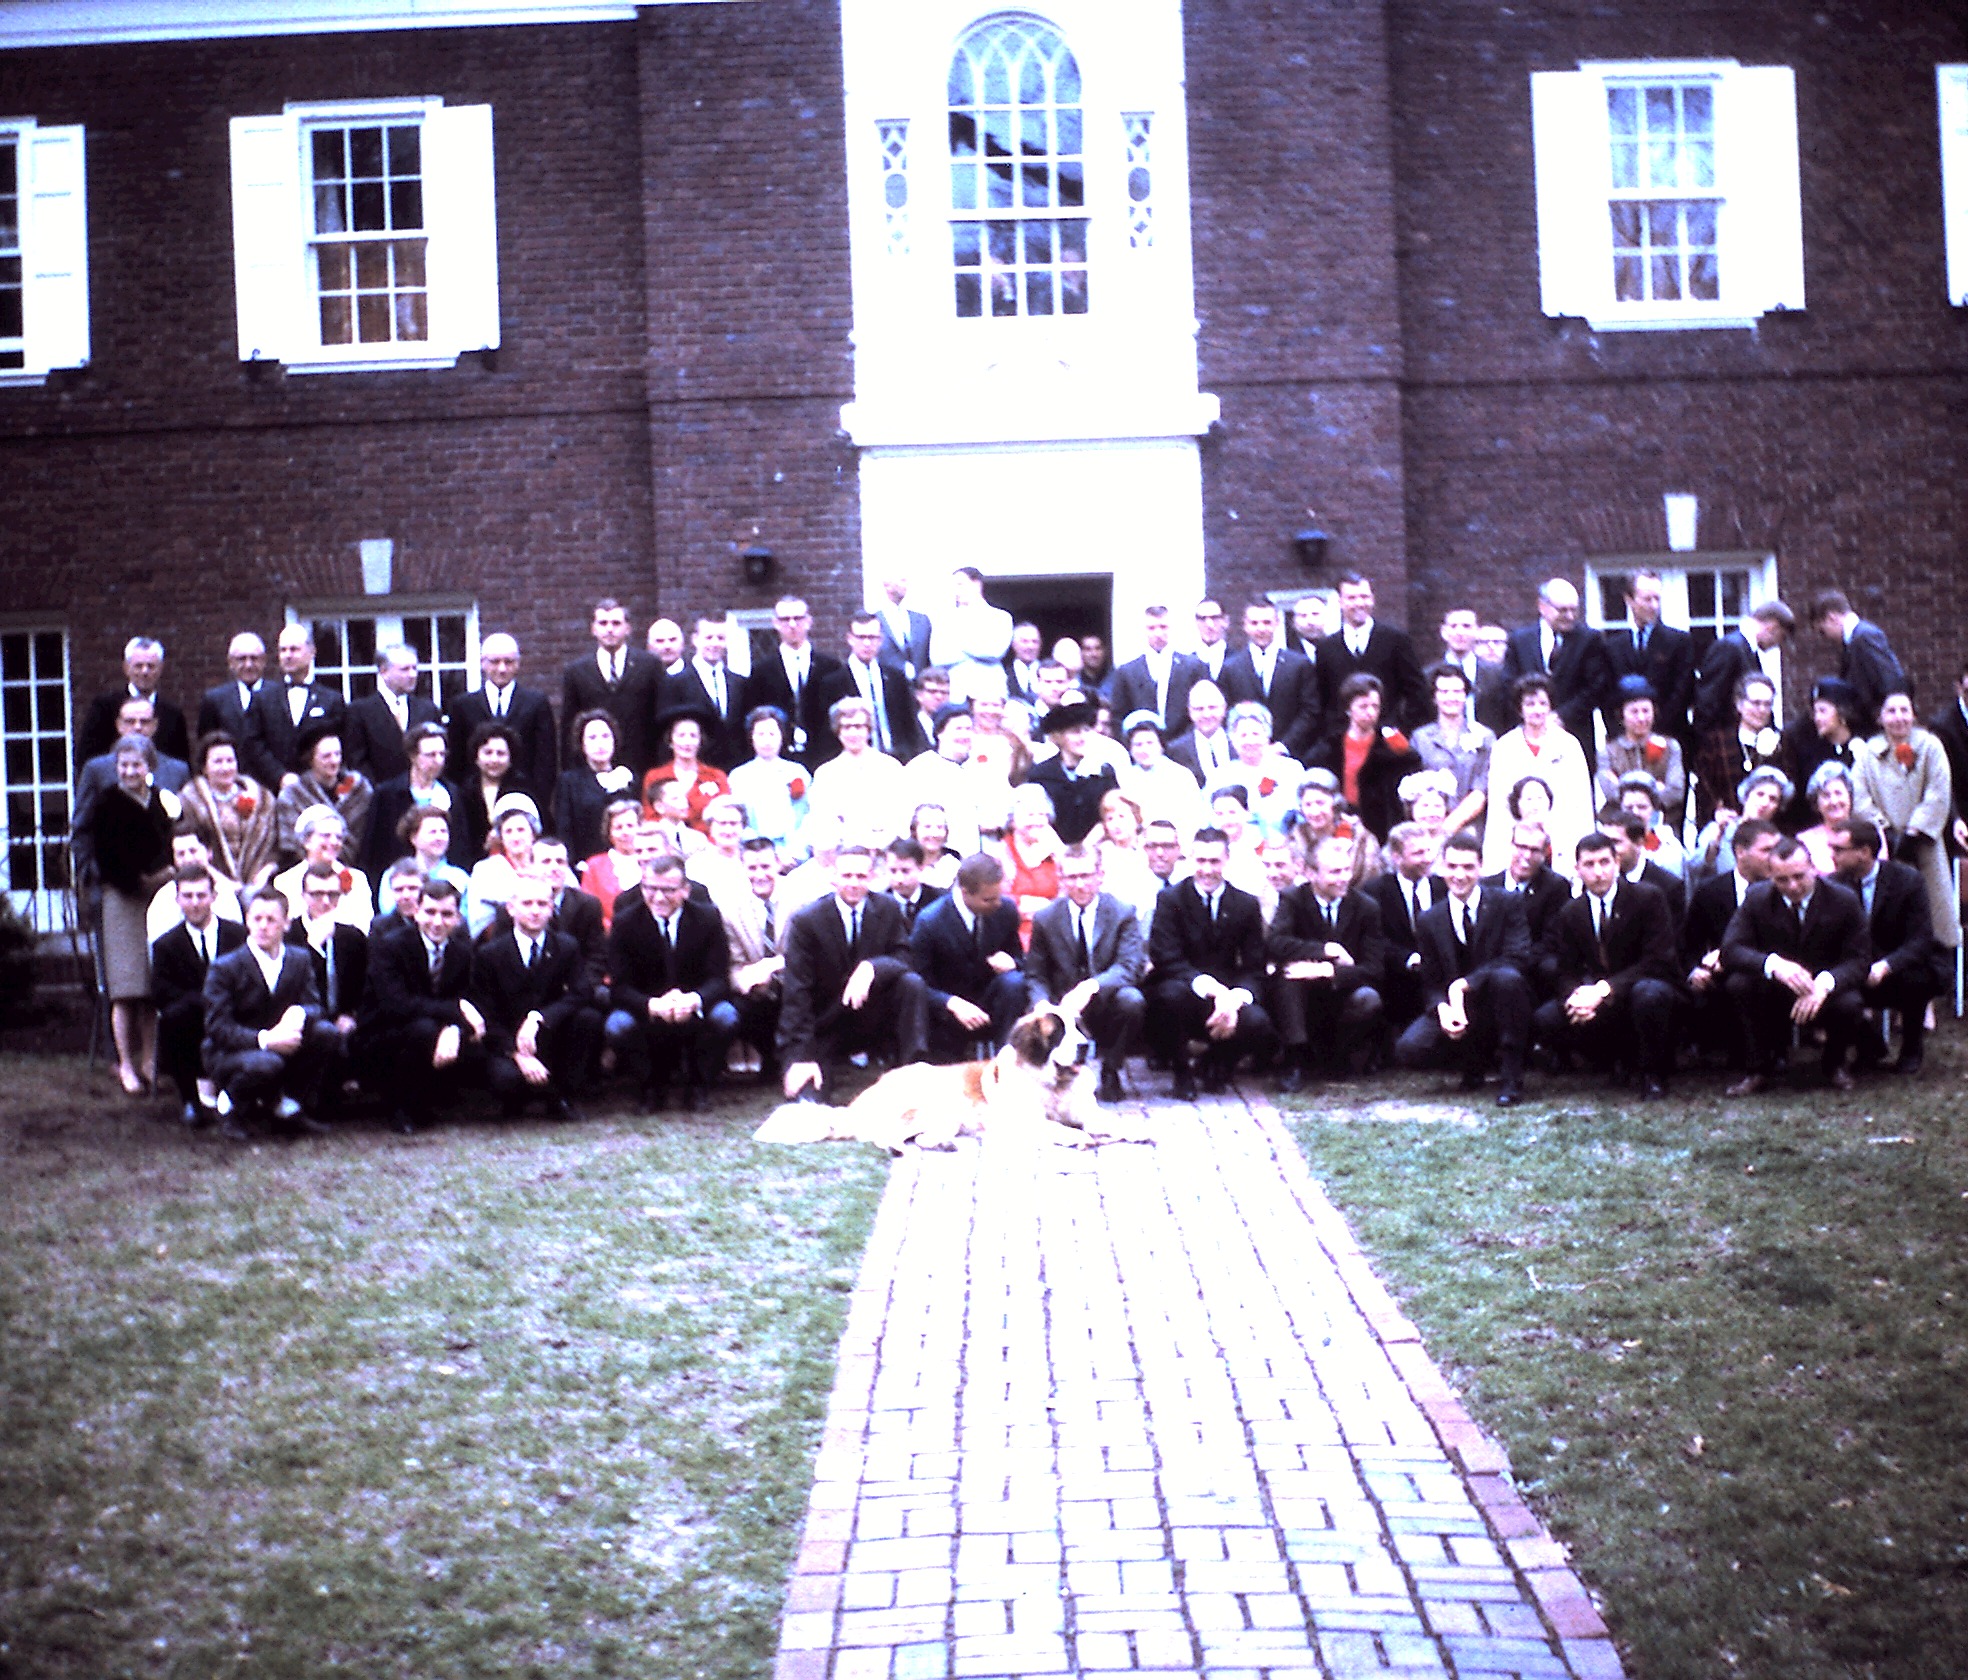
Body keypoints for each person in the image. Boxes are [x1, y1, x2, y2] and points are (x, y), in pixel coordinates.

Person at [1533, 832, 1681, 1098]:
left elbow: (1658, 960)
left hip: (1645, 986)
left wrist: (1603, 990)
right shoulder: (1571, 912)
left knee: (1649, 994)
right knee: (1548, 1018)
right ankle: (1611, 1061)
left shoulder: (1648, 897)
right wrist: (1577, 997)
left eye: (1604, 862)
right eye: (1589, 865)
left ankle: (1653, 1074)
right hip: (1601, 996)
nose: (1598, 872)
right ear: (1577, 870)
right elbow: (1567, 969)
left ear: (1617, 863)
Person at [1721, 837, 1871, 1094]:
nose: (1792, 886)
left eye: (1799, 876)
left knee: (1851, 1003)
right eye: (1782, 880)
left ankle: (1834, 1064)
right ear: (1770, 875)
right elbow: (1731, 949)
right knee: (1740, 984)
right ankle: (1758, 1069)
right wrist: (1774, 965)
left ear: (1813, 868)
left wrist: (1824, 985)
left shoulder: (1843, 900)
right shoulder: (1757, 898)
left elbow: (1860, 960)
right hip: (1776, 988)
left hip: (1826, 989)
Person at [778, 844, 929, 1096]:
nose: (853, 883)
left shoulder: (888, 908)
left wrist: (872, 967)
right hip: (827, 1020)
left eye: (861, 876)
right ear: (833, 877)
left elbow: (904, 955)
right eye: (847, 876)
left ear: (873, 878)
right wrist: (800, 1055)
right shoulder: (807, 921)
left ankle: (912, 1069)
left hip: (873, 1016)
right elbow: (797, 992)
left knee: (911, 983)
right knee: (809, 1099)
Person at [1393, 830, 1532, 1104]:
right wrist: (1442, 1009)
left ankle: (1511, 1075)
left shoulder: (1507, 903)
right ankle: (1472, 1062)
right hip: (1459, 1008)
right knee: (1410, 1049)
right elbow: (1431, 982)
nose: (1459, 875)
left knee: (1508, 978)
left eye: (1468, 867)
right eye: (1452, 866)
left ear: (1481, 868)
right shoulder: (1429, 919)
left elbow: (1518, 955)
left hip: (1502, 1000)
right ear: (1441, 867)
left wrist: (1465, 983)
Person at [1147, 826, 1278, 1099]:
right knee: (1168, 997)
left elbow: (1254, 966)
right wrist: (1211, 989)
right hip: (1184, 988)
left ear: (1227, 861)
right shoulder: (1171, 899)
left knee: (1258, 1022)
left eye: (1214, 861)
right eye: (1201, 861)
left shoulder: (1245, 904)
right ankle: (1182, 1072)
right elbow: (1165, 957)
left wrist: (1234, 1000)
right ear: (1190, 859)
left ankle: (1218, 1062)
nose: (1207, 869)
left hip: (1227, 996)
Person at [355, 876, 486, 1134]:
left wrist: (454, 1027)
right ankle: (400, 1108)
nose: (438, 922)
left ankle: (433, 1098)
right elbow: (397, 1005)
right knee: (424, 1030)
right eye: (430, 912)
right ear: (416, 912)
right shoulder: (390, 946)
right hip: (382, 1033)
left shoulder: (463, 951)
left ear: (458, 918)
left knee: (473, 1035)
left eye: (447, 914)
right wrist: (456, 1013)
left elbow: (470, 997)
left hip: (431, 1026)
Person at [604, 850, 735, 1108]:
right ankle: (650, 1086)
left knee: (726, 1016)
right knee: (617, 1026)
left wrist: (694, 1000)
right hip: (647, 1005)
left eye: (669, 890)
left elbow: (720, 978)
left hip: (693, 1002)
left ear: (685, 890)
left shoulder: (707, 917)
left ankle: (699, 1085)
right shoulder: (625, 922)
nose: (659, 897)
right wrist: (651, 1004)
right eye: (651, 889)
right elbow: (619, 987)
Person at [470, 870, 603, 1120]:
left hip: (550, 1033)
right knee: (506, 1080)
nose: (535, 911)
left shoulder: (566, 946)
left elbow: (581, 992)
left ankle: (561, 1098)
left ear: (552, 909)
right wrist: (516, 1053)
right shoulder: (490, 954)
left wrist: (538, 1017)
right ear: (511, 908)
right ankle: (517, 1100)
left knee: (588, 1018)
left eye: (542, 904)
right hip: (507, 1039)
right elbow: (486, 1012)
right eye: (527, 903)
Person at [92, 736, 181, 1093]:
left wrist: (168, 874)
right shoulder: (107, 804)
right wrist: (142, 880)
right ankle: (126, 1064)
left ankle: (150, 1059)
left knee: (151, 985)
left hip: (160, 896)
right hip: (124, 897)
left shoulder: (162, 800)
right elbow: (108, 857)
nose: (130, 771)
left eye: (137, 765)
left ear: (149, 767)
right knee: (126, 987)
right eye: (123, 766)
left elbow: (175, 839)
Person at [202, 885, 328, 1137]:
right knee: (267, 1063)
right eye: (256, 918)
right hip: (233, 1051)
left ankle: (286, 1107)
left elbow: (316, 1005)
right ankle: (232, 1107)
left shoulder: (299, 959)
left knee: (327, 1034)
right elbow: (218, 1028)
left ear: (286, 923)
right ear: (247, 920)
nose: (263, 925)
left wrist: (300, 1013)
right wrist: (266, 1040)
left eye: (271, 920)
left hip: (285, 1042)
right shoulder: (225, 967)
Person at [1267, 835, 1387, 1091]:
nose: (1344, 878)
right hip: (1302, 995)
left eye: (1346, 870)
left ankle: (1339, 1057)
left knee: (1368, 998)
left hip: (1342, 993)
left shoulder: (1366, 907)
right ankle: (1295, 1059)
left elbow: (1375, 968)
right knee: (1287, 977)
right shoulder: (1293, 899)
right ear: (1311, 873)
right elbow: (1276, 943)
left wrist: (1329, 970)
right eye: (1334, 872)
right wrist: (1325, 949)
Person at [1027, 845, 1146, 1103]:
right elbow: (1036, 972)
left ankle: (1111, 1068)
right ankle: (1048, 1074)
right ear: (1061, 879)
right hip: (1062, 1000)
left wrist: (1091, 987)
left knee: (1132, 1000)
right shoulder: (1046, 918)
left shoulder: (1122, 912)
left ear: (1100, 875)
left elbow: (1129, 966)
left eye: (1086, 876)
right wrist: (1041, 1003)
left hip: (1104, 997)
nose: (1079, 884)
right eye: (1071, 877)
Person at [1828, 816, 1941, 1074]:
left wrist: (1885, 966)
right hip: (1853, 966)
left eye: (1838, 849)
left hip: (1897, 964)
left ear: (1865, 852)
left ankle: (1912, 1048)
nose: (1831, 856)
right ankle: (1869, 1045)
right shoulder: (1834, 885)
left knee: (1918, 978)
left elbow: (1921, 939)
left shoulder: (1907, 880)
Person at [1853, 691, 1961, 955]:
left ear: (1914, 714)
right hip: (1886, 848)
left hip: (1924, 845)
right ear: (1880, 717)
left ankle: (1939, 985)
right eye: (1891, 711)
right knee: (1892, 919)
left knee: (1935, 916)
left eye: (1905, 710)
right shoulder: (1867, 754)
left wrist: (1915, 831)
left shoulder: (1930, 746)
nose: (1899, 718)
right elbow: (1861, 796)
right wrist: (1884, 831)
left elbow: (1939, 791)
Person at [911, 850, 1032, 1062]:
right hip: (948, 1012)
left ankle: (1007, 1058)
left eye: (999, 896)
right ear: (965, 892)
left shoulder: (1005, 910)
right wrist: (950, 1003)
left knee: (1014, 982)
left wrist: (1013, 963)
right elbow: (918, 983)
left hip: (993, 1005)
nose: (997, 903)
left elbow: (1022, 961)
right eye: (988, 899)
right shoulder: (930, 922)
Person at [1682, 817, 1782, 1068]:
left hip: (1772, 969)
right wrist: (1694, 969)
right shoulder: (1711, 891)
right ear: (1740, 852)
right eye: (1766, 850)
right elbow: (1689, 941)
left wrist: (1729, 955)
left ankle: (1768, 1053)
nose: (1774, 858)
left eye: (1777, 850)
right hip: (1719, 975)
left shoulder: (1784, 889)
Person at [151, 865, 246, 1126]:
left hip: (235, 1010)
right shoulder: (166, 945)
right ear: (178, 900)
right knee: (173, 1018)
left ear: (213, 897)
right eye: (188, 896)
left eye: (201, 896)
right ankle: (191, 1102)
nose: (195, 903)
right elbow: (160, 991)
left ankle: (242, 1095)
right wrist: (201, 1000)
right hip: (192, 1015)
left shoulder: (237, 935)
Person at [1480, 675, 1593, 878]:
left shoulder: (1569, 745)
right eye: (1530, 704)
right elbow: (1499, 807)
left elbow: (1581, 802)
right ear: (1519, 709)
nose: (1537, 710)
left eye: (1543, 703)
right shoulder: (1504, 747)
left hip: (1561, 837)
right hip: (1517, 838)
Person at [1499, 577, 1612, 772]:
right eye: (1562, 610)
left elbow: (1597, 686)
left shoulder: (1589, 639)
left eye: (1573, 610)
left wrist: (1561, 716)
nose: (1569, 616)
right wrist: (1533, 713)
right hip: (1528, 736)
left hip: (1575, 733)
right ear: (1542, 607)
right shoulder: (1520, 640)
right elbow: (1510, 683)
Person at [284, 862, 368, 1114]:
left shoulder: (352, 937)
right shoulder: (289, 935)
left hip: (342, 1015)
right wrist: (314, 947)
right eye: (317, 894)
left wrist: (351, 1014)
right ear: (303, 897)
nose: (325, 901)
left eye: (332, 895)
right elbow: (289, 987)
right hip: (301, 1016)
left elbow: (365, 985)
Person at [1307, 674, 1420, 845]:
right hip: (1336, 824)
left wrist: (1404, 752)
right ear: (1348, 708)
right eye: (1363, 706)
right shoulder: (1329, 747)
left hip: (1381, 828)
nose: (1370, 713)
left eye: (1375, 706)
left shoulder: (1390, 747)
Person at [1312, 572, 1427, 732]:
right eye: (1351, 598)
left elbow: (1417, 693)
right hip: (1342, 742)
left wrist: (1403, 730)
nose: (1359, 603)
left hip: (1388, 741)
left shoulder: (1396, 640)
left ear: (1372, 599)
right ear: (1340, 602)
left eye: (1364, 597)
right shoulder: (1326, 648)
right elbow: (1323, 700)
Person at [444, 632, 558, 790]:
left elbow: (546, 759)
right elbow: (455, 760)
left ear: (518, 664)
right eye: (495, 662)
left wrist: (539, 799)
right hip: (473, 797)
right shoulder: (462, 705)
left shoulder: (536, 703)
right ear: (483, 663)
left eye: (509, 662)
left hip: (524, 794)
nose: (502, 668)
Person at [562, 597, 660, 778]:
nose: (609, 629)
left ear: (627, 628)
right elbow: (569, 726)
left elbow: (658, 719)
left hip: (641, 765)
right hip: (592, 770)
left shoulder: (649, 666)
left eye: (616, 623)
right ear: (593, 629)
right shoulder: (576, 671)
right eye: (603, 623)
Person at [723, 834, 794, 1079]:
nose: (759, 874)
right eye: (752, 868)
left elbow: (810, 952)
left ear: (778, 865)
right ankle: (769, 1059)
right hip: (756, 989)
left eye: (766, 866)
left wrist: (774, 966)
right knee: (739, 1006)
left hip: (795, 979)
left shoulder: (801, 899)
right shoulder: (730, 908)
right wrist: (743, 979)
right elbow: (732, 962)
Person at [243, 623, 345, 790]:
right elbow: (253, 745)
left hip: (320, 792)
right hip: (273, 791)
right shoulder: (262, 699)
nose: (287, 655)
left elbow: (340, 747)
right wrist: (279, 776)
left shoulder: (332, 700)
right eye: (283, 650)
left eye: (294, 649)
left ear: (312, 652)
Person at [1603, 569, 1695, 749]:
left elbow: (1682, 692)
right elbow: (1607, 697)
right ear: (1629, 600)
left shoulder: (1679, 642)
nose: (1653, 605)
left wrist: (1652, 732)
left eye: (1657, 598)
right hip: (1624, 744)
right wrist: (1624, 735)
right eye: (1647, 599)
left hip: (1670, 740)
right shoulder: (1612, 647)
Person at [815, 611, 924, 762]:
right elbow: (827, 733)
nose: (867, 643)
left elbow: (909, 724)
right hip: (854, 761)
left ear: (881, 640)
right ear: (850, 639)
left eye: (872, 637)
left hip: (897, 758)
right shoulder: (832, 683)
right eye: (861, 637)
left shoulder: (896, 678)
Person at [362, 721, 462, 881]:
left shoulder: (452, 793)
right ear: (413, 756)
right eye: (430, 755)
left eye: (442, 754)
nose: (438, 761)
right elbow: (373, 849)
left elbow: (461, 846)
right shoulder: (388, 794)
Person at [179, 730, 278, 890]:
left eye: (230, 761)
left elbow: (274, 847)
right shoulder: (190, 801)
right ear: (204, 767)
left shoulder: (263, 799)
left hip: (259, 885)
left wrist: (265, 872)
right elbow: (189, 850)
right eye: (218, 762)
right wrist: (224, 883)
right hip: (209, 886)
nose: (225, 767)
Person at [749, 595, 843, 763]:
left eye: (798, 618)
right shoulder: (761, 671)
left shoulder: (831, 667)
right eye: (785, 619)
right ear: (775, 623)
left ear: (809, 621)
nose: (792, 625)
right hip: (779, 758)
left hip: (825, 755)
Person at [1369, 821, 1444, 1031]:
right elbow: (1375, 940)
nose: (1427, 859)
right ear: (1396, 857)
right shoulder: (1375, 892)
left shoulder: (1444, 887)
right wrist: (1409, 959)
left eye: (1428, 851)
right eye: (1418, 853)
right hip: (1395, 984)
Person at [1222, 600, 1320, 759]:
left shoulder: (1299, 664)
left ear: (1277, 623)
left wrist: (1283, 745)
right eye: (1254, 623)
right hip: (1246, 756)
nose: (1261, 629)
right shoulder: (1230, 668)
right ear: (1245, 625)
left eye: (1267, 622)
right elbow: (1227, 713)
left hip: (1291, 754)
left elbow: (1310, 711)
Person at [807, 695, 911, 840]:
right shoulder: (826, 773)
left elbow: (902, 815)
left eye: (858, 726)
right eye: (846, 727)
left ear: (869, 729)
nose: (853, 733)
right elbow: (823, 821)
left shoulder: (890, 767)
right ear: (838, 730)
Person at [1693, 671, 1788, 828]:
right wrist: (1715, 813)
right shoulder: (1717, 741)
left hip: (1770, 827)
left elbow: (1787, 789)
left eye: (1767, 704)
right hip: (1729, 825)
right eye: (1756, 703)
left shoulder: (1782, 742)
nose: (1762, 710)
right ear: (1739, 704)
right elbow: (1705, 787)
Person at [79, 634, 192, 765]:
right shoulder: (104, 708)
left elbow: (182, 764)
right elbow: (88, 759)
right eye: (138, 666)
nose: (145, 672)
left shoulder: (173, 714)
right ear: (126, 668)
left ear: (160, 669)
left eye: (151, 666)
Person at [658, 614, 752, 770]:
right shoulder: (674, 683)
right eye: (709, 637)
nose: (715, 644)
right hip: (695, 769)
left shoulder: (740, 683)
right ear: (695, 639)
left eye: (720, 638)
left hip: (736, 767)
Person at [1412, 662, 1494, 838]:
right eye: (1444, 692)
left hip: (1473, 830)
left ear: (1466, 695)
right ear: (1434, 697)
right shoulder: (1420, 738)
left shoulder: (1484, 736)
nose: (1451, 697)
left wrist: (1449, 826)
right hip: (1428, 830)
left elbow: (1482, 788)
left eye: (1457, 691)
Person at [1692, 600, 1794, 741]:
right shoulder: (1730, 648)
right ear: (1772, 628)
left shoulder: (1745, 649)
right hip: (1722, 743)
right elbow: (1708, 701)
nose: (1776, 645)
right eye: (1781, 638)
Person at [1810, 590, 1908, 732]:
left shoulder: (1865, 636)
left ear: (1832, 618)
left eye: (1822, 631)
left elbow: (1890, 679)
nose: (1825, 637)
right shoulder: (1855, 640)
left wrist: (1886, 716)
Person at [274, 727, 373, 865]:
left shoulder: (360, 791)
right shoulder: (292, 796)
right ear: (310, 759)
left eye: (337, 754)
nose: (334, 761)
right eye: (326, 756)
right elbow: (291, 846)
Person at [344, 644, 442, 785]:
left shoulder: (428, 710)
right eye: (405, 669)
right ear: (384, 672)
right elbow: (356, 760)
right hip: (379, 795)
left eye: (414, 668)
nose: (412, 675)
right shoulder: (360, 711)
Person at [1027, 696, 1119, 845]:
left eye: (1087, 730)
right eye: (1075, 732)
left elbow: (1111, 813)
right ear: (1059, 737)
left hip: (1096, 847)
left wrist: (1085, 848)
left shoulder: (1103, 772)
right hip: (1051, 850)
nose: (1082, 737)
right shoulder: (1041, 775)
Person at [902, 704, 989, 858]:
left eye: (968, 729)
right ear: (940, 733)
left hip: (974, 862)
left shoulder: (980, 766)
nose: (964, 735)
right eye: (958, 729)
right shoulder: (921, 768)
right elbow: (907, 822)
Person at [554, 709, 638, 864]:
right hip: (586, 864)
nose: (600, 744)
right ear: (582, 744)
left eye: (605, 736)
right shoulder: (569, 782)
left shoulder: (628, 778)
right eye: (592, 738)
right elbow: (564, 829)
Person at [1596, 676, 1686, 818]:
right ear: (1621, 715)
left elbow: (1675, 792)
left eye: (1646, 711)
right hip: (1620, 822)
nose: (1641, 718)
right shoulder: (1608, 752)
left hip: (1662, 820)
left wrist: (1622, 785)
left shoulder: (1671, 747)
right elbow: (1610, 793)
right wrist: (1655, 788)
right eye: (1634, 712)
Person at [272, 807, 376, 929]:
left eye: (338, 837)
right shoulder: (285, 881)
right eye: (326, 836)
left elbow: (364, 924)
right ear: (306, 841)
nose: (333, 842)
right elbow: (286, 926)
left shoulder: (357, 879)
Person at [1109, 605, 1204, 737]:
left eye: (1163, 627)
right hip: (1142, 747)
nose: (1158, 633)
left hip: (1183, 744)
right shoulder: (1126, 672)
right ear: (1144, 630)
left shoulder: (1193, 667)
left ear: (1171, 628)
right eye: (1151, 628)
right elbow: (1118, 717)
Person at [728, 706, 811, 857]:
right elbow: (741, 823)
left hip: (793, 851)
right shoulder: (739, 776)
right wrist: (763, 852)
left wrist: (793, 852)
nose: (767, 741)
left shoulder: (797, 772)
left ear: (782, 736)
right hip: (754, 852)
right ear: (751, 737)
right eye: (760, 734)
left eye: (772, 734)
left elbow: (806, 817)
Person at [1782, 676, 1862, 829]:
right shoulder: (1804, 747)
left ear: (1841, 712)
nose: (1817, 718)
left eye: (1823, 711)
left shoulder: (1862, 745)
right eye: (1815, 711)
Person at [1284, 768, 1383, 889]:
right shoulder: (1294, 840)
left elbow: (1373, 881)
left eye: (1320, 803)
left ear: (1335, 803)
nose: (1315, 812)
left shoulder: (1361, 839)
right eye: (1308, 805)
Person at [466, 792, 545, 938]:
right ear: (501, 837)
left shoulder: (549, 864)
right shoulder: (484, 870)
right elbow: (480, 923)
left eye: (521, 830)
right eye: (508, 831)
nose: (515, 837)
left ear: (533, 834)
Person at [641, 708, 732, 832]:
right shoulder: (655, 776)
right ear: (670, 740)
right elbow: (650, 817)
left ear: (701, 741)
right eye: (681, 735)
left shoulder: (716, 776)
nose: (687, 742)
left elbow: (726, 814)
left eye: (693, 736)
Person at [457, 721, 533, 862]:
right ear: (476, 757)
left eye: (501, 754)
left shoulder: (523, 787)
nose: (494, 759)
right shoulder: (465, 790)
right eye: (488, 753)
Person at [1002, 782, 1065, 947]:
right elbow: (999, 903)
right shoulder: (1000, 854)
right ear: (1012, 821)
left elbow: (1070, 894)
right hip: (1013, 937)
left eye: (1042, 815)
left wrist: (1060, 853)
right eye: (1030, 815)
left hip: (1055, 932)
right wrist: (1029, 905)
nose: (1037, 821)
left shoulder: (1055, 850)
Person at [579, 797, 647, 931]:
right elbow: (590, 910)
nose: (625, 832)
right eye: (618, 827)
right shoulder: (594, 865)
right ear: (609, 833)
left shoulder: (654, 859)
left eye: (630, 826)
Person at [196, 630, 268, 745]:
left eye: (254, 658)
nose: (248, 665)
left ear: (264, 660)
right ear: (231, 662)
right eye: (241, 659)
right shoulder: (214, 700)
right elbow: (206, 744)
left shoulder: (278, 696)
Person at [1798, 761, 1867, 877]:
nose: (1834, 801)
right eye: (1826, 795)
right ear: (1816, 803)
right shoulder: (1804, 841)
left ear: (1849, 796)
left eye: (1838, 793)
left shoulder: (1871, 833)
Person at [874, 572, 934, 683]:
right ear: (887, 585)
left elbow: (928, 657)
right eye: (902, 580)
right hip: (890, 687)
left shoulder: (922, 621)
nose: (906, 585)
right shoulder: (874, 621)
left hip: (920, 689)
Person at [911, 804, 961, 891]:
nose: (934, 833)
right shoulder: (903, 859)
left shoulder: (955, 862)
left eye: (939, 827)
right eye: (927, 827)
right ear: (915, 830)